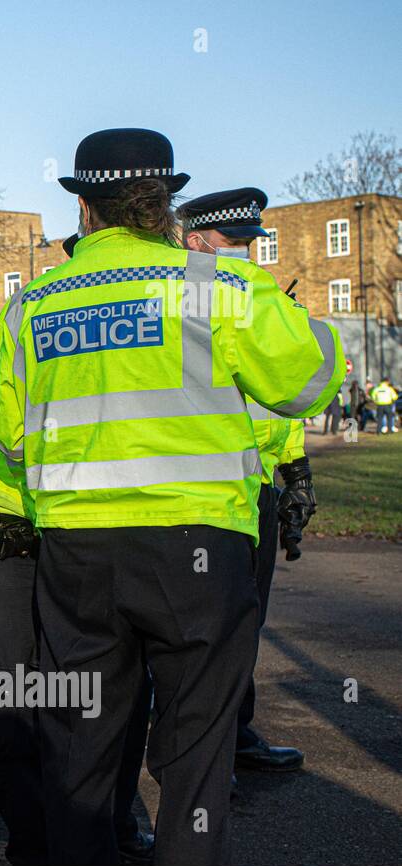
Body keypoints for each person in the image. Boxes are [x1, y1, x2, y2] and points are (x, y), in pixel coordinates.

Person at [0, 128, 344, 865]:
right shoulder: (219, 288)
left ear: (84, 209)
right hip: (198, 549)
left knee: (80, 750)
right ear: (165, 203)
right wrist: (287, 310)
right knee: (196, 757)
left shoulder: (30, 305)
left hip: (76, 554)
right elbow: (305, 382)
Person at [0, 292, 155, 866]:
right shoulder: (45, 319)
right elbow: (19, 433)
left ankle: (96, 832)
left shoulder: (103, 329)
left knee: (95, 689)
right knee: (6, 696)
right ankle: (38, 846)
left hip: (50, 527)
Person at [180, 189, 311, 773]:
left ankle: (235, 735)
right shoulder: (183, 302)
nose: (243, 254)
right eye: (232, 243)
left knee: (245, 624)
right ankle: (199, 756)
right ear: (195, 242)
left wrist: (296, 471)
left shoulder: (251, 298)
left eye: (247, 243)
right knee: (204, 630)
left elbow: (277, 403)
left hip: (252, 486)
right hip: (198, 491)